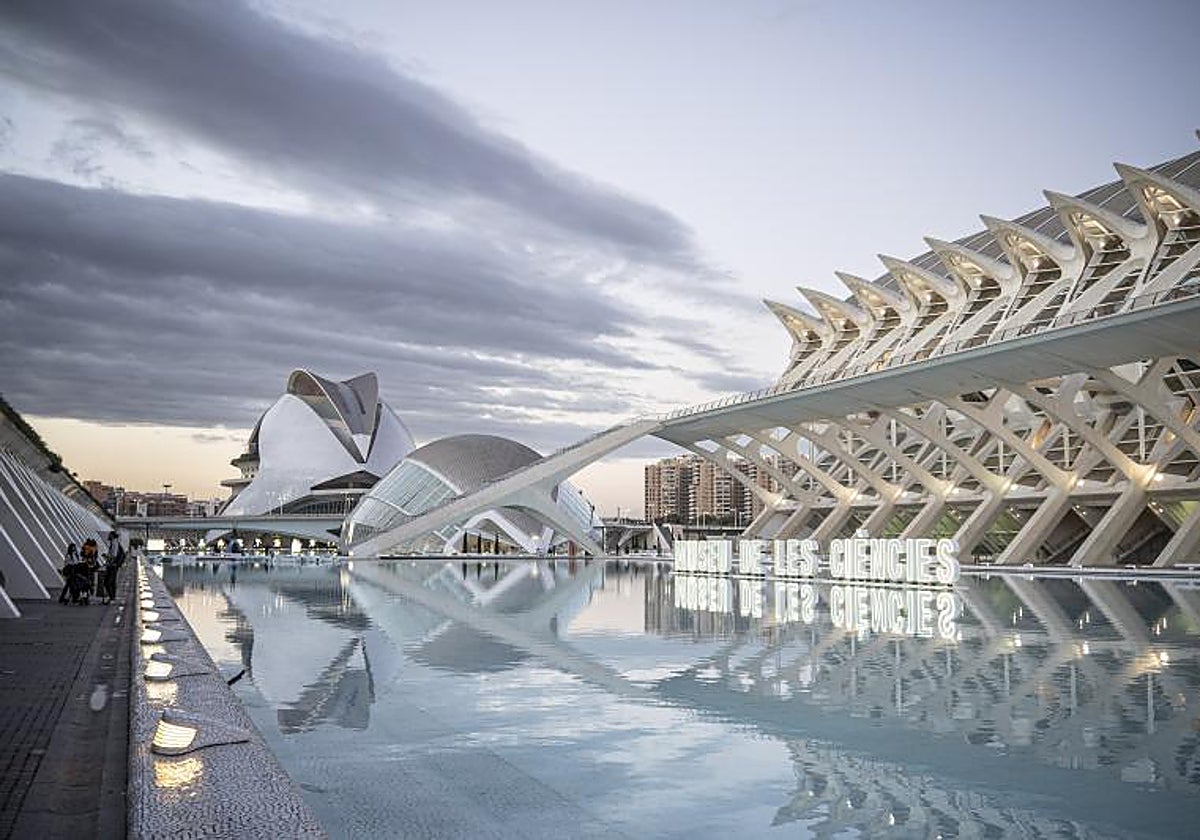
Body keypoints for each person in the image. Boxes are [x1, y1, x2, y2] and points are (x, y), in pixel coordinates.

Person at [101, 530, 124, 604]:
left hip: (112, 566)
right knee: (112, 582)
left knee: (107, 582)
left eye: (110, 535)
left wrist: (107, 557)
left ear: (112, 536)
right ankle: (112, 598)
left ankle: (111, 598)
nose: (108, 536)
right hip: (113, 565)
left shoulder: (114, 543)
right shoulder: (114, 543)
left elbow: (113, 555)